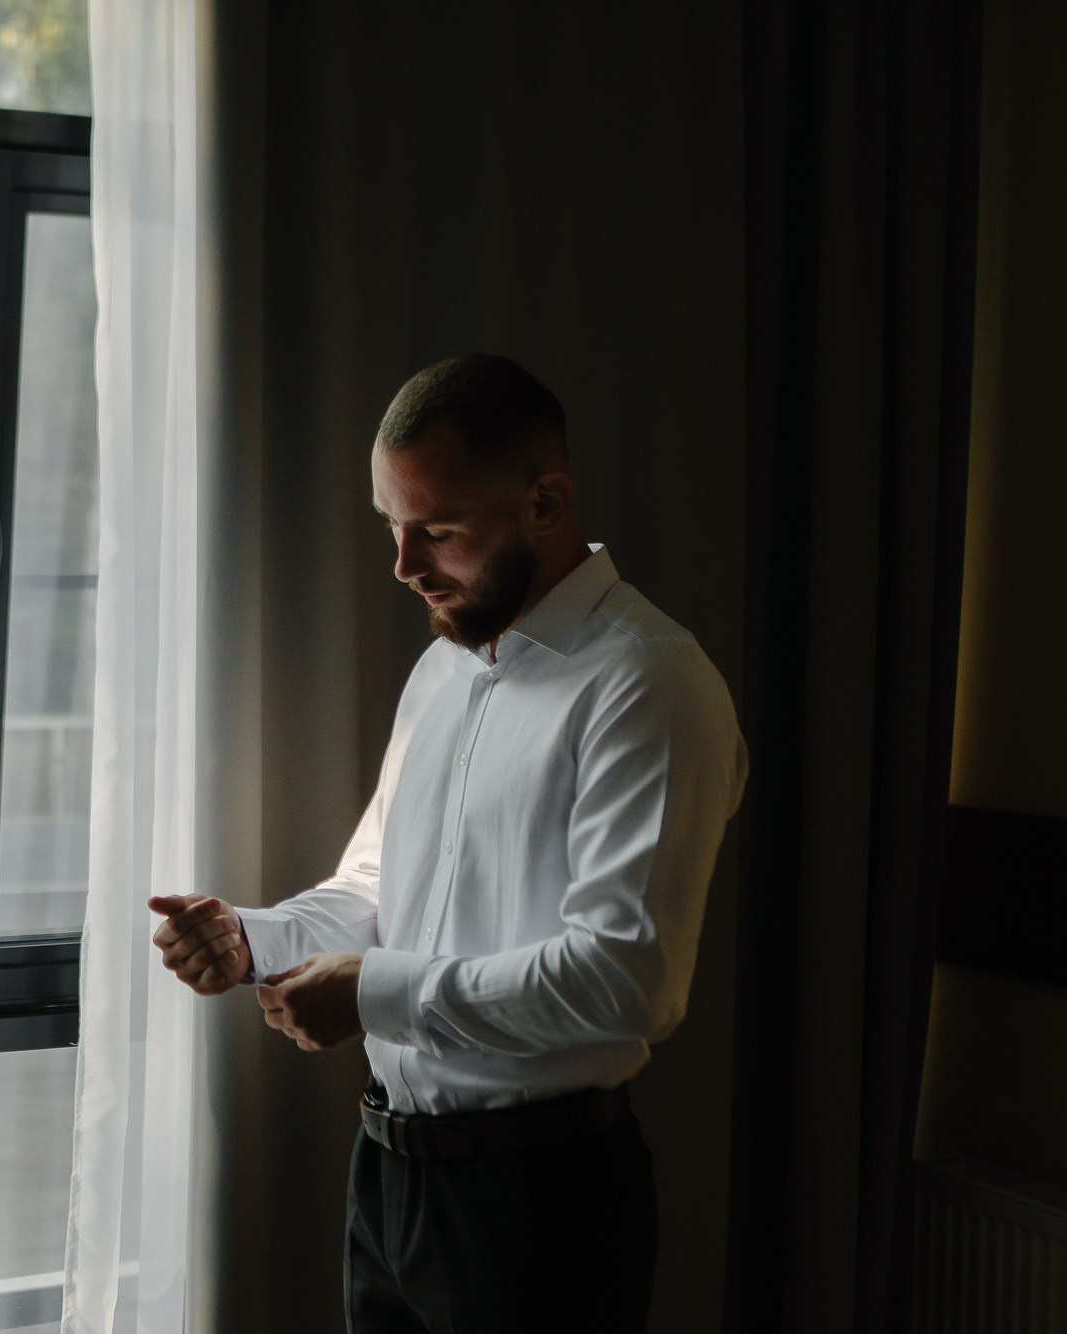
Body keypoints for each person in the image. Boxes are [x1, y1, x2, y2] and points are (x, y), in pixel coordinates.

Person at [149, 353, 747, 1333]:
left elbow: (627, 979)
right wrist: (255, 937)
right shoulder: (441, 670)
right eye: (390, 524)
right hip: (386, 1173)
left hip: (541, 1198)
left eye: (436, 528)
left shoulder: (647, 685)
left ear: (544, 501)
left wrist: (371, 989)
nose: (401, 564)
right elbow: (381, 881)